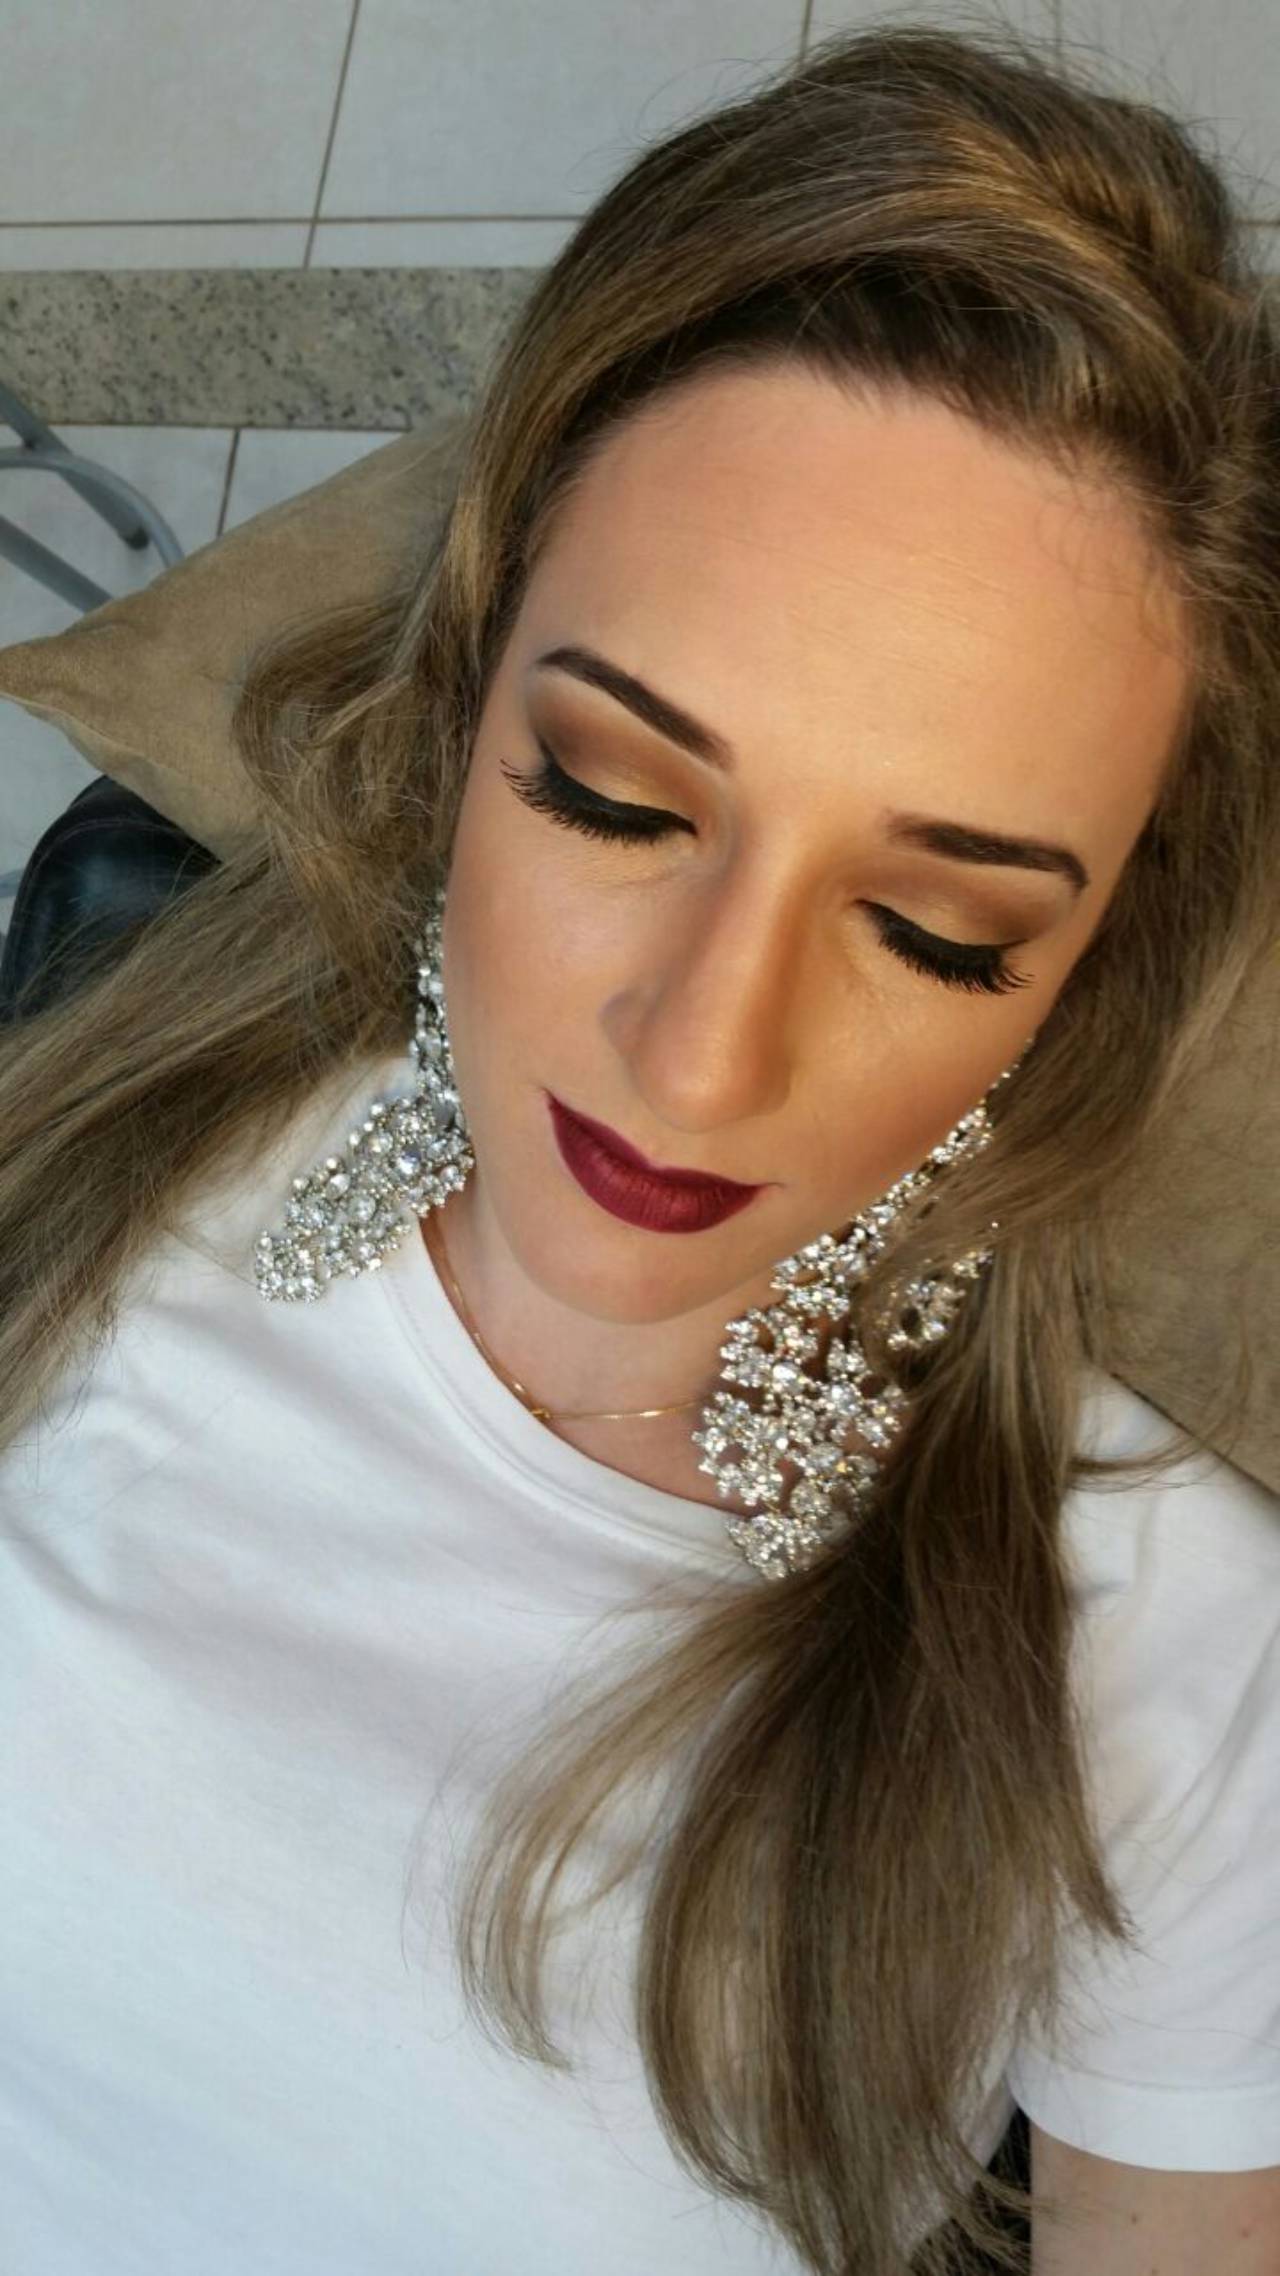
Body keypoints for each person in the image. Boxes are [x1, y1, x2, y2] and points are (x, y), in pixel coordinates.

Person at [0, 18, 1278, 2276]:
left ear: (1084, 974)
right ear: (462, 697)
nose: (699, 1062)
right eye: (612, 797)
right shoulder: (91, 1163)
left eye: (935, 929)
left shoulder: (1154, 1648)